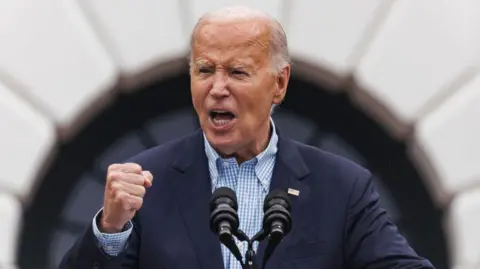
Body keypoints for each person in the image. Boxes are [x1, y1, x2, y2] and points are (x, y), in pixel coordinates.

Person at [59, 5, 435, 269]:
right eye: (205, 70)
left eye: (237, 72)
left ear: (279, 83)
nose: (217, 88)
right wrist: (110, 228)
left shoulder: (341, 187)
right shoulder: (146, 184)